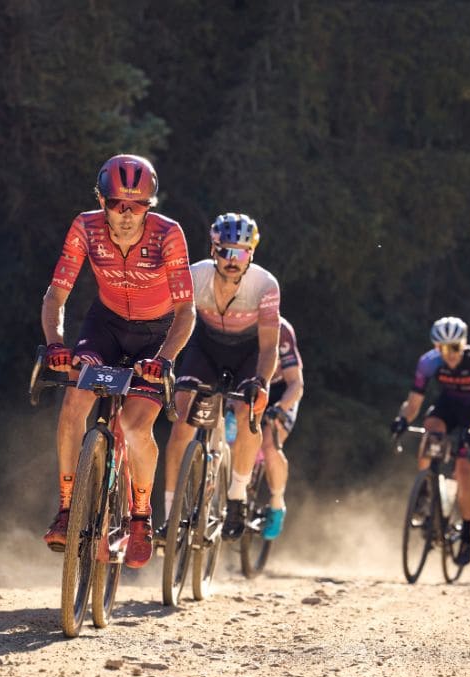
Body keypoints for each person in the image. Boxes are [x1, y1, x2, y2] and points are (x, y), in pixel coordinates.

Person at [41, 154, 196, 569]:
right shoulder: (85, 227)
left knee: (133, 423)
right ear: (101, 200)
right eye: (117, 204)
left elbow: (187, 313)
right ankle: (67, 508)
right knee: (75, 400)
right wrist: (56, 342)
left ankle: (142, 517)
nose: (127, 216)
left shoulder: (169, 234)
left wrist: (164, 359)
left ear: (151, 206)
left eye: (139, 206)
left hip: (156, 333)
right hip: (105, 325)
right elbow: (56, 296)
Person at [163, 212, 280, 540]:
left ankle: (237, 495)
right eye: (226, 251)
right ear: (213, 249)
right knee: (181, 420)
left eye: (241, 253)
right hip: (205, 347)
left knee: (247, 412)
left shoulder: (265, 285)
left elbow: (270, 346)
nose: (233, 260)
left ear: (251, 254)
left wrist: (262, 381)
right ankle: (171, 516)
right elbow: (171, 323)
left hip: (248, 352)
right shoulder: (194, 276)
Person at [391, 316, 470, 566]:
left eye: (455, 347)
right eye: (443, 348)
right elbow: (414, 402)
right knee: (431, 430)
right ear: (436, 348)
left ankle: (468, 535)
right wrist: (402, 419)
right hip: (448, 407)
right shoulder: (428, 363)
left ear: (464, 343)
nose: (449, 354)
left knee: (463, 471)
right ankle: (426, 490)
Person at [257, 316, 304, 539]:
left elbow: (296, 383)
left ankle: (276, 502)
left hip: (281, 393)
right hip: (250, 389)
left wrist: (280, 407)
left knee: (269, 445)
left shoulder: (282, 329)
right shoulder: (232, 322)